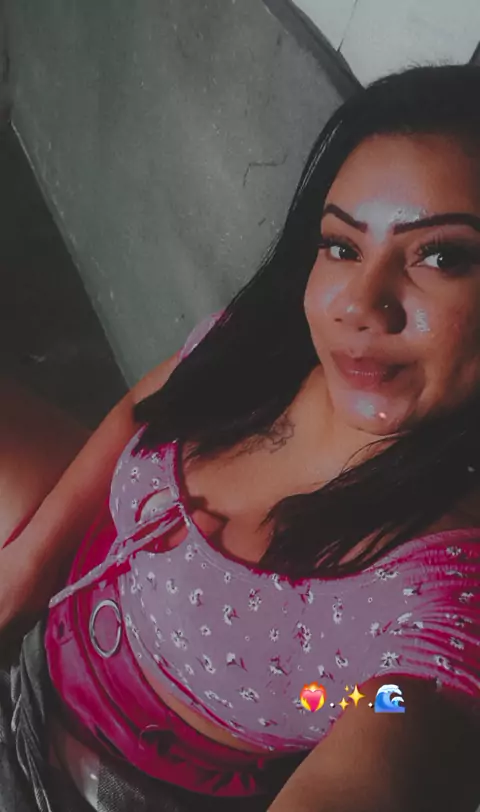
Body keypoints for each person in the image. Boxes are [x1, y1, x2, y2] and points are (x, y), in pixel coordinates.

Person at [0, 62, 479, 812]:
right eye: (343, 245)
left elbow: (397, 722)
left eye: (442, 256)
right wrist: (25, 567)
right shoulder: (267, 347)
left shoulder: (442, 591)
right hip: (61, 609)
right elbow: (146, 408)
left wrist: (349, 705)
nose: (360, 304)